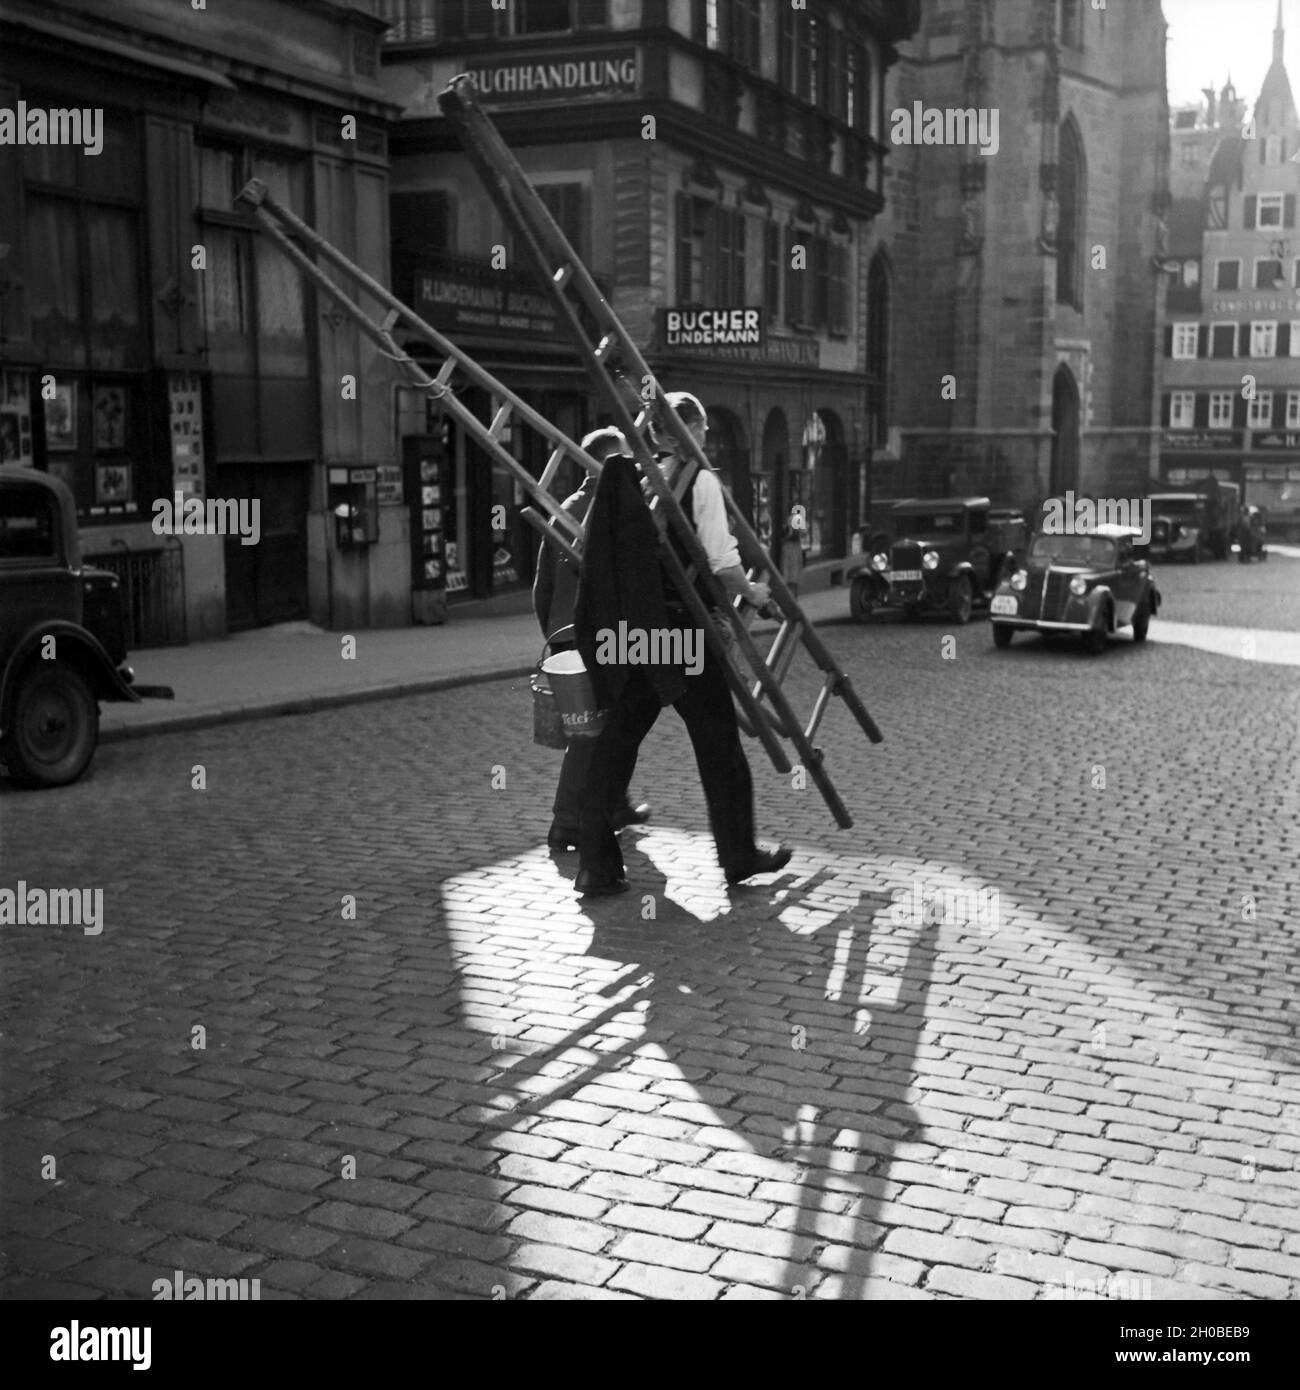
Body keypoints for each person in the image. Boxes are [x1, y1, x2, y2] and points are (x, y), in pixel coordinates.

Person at [572, 392, 792, 897]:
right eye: (700, 428)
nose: (705, 437)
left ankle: (596, 866)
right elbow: (722, 563)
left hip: (640, 633)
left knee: (617, 742)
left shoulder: (640, 478)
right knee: (720, 747)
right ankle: (738, 855)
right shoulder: (702, 480)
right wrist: (755, 592)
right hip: (682, 635)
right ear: (679, 431)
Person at [533, 427, 649, 852]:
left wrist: (554, 634)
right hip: (600, 639)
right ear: (610, 461)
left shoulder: (563, 507)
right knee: (591, 732)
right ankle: (566, 821)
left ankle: (615, 804)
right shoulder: (616, 503)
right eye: (626, 458)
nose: (634, 465)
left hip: (568, 638)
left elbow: (541, 586)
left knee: (608, 727)